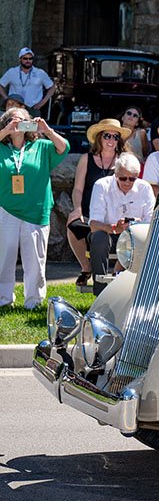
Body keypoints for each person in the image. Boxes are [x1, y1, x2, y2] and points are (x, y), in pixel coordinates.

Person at [0, 107, 69, 308]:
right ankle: (4, 299)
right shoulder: (2, 147)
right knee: (4, 257)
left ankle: (34, 300)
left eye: (22, 120)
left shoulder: (41, 146)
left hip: (35, 211)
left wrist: (47, 130)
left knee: (35, 260)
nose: (17, 123)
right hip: (6, 209)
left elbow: (63, 147)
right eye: (12, 120)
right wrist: (5, 131)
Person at [67, 118, 131, 288]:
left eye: (115, 137)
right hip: (90, 215)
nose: (111, 140)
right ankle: (85, 268)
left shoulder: (124, 161)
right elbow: (78, 189)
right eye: (107, 136)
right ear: (99, 138)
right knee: (72, 224)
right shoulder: (86, 159)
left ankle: (115, 273)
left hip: (116, 217)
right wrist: (77, 208)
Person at [87, 153, 153, 288]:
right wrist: (112, 228)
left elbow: (150, 222)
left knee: (146, 238)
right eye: (123, 178)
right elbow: (93, 224)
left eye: (132, 179)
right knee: (99, 237)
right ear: (115, 174)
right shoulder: (101, 185)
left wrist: (135, 223)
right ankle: (99, 288)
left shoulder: (145, 188)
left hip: (136, 236)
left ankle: (136, 287)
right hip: (109, 234)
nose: (127, 182)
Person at [0, 48, 54, 112]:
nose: (28, 60)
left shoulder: (40, 73)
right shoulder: (12, 72)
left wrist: (41, 103)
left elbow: (52, 87)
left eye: (30, 58)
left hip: (33, 108)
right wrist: (7, 99)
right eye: (25, 58)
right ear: (20, 59)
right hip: (15, 109)